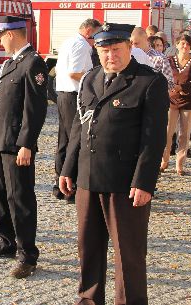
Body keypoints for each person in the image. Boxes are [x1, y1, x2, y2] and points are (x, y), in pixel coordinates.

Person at [59, 23, 169, 305]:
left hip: (124, 185)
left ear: (129, 47)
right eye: (104, 50)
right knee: (88, 248)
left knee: (128, 253)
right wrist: (68, 168)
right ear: (97, 50)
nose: (111, 56)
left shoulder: (149, 82)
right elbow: (79, 127)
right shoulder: (90, 79)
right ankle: (88, 299)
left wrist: (144, 182)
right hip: (88, 179)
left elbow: (153, 140)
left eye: (116, 49)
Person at [0, 15, 48, 279]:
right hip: (1, 141)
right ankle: (5, 241)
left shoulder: (32, 63)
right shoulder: (11, 63)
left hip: (17, 145)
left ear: (11, 34)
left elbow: (35, 110)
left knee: (20, 200)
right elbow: (1, 109)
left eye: (0, 37)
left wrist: (27, 144)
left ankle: (26, 254)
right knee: (1, 197)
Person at [52, 18, 101, 202]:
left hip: (65, 94)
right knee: (76, 142)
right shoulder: (81, 45)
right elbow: (75, 72)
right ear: (88, 31)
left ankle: (61, 185)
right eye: (95, 36)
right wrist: (96, 80)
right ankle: (69, 187)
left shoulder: (70, 41)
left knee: (64, 141)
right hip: (73, 94)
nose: (96, 41)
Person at [161, 33, 191, 175]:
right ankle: (164, 160)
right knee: (167, 132)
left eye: (187, 44)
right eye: (182, 43)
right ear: (177, 44)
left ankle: (180, 164)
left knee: (184, 133)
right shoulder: (168, 60)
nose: (184, 46)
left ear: (190, 46)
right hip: (171, 100)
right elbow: (162, 77)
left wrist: (182, 88)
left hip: (189, 101)